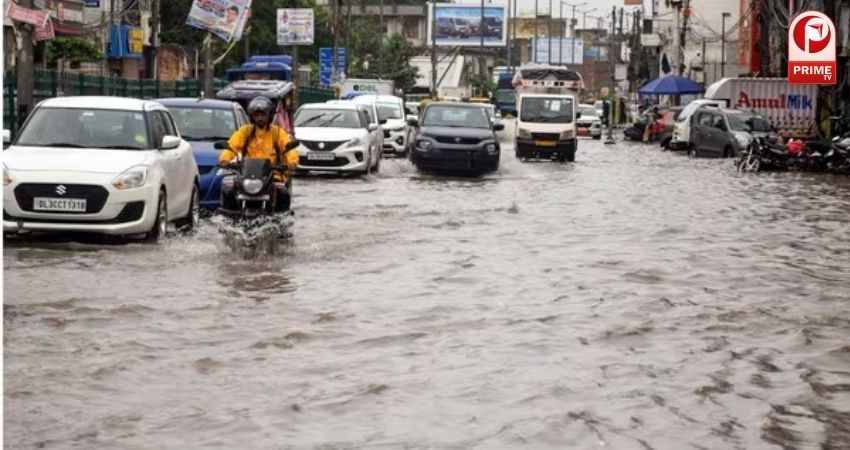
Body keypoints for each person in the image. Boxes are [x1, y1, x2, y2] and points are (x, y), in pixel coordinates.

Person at [218, 96, 299, 212]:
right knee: (228, 188)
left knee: (283, 193)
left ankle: (281, 219)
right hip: (246, 174)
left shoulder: (277, 133)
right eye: (257, 115)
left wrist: (292, 162)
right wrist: (224, 159)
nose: (260, 118)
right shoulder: (245, 131)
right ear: (252, 116)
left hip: (272, 174)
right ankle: (230, 217)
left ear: (269, 116)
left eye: (263, 115)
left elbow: (288, 148)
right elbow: (232, 146)